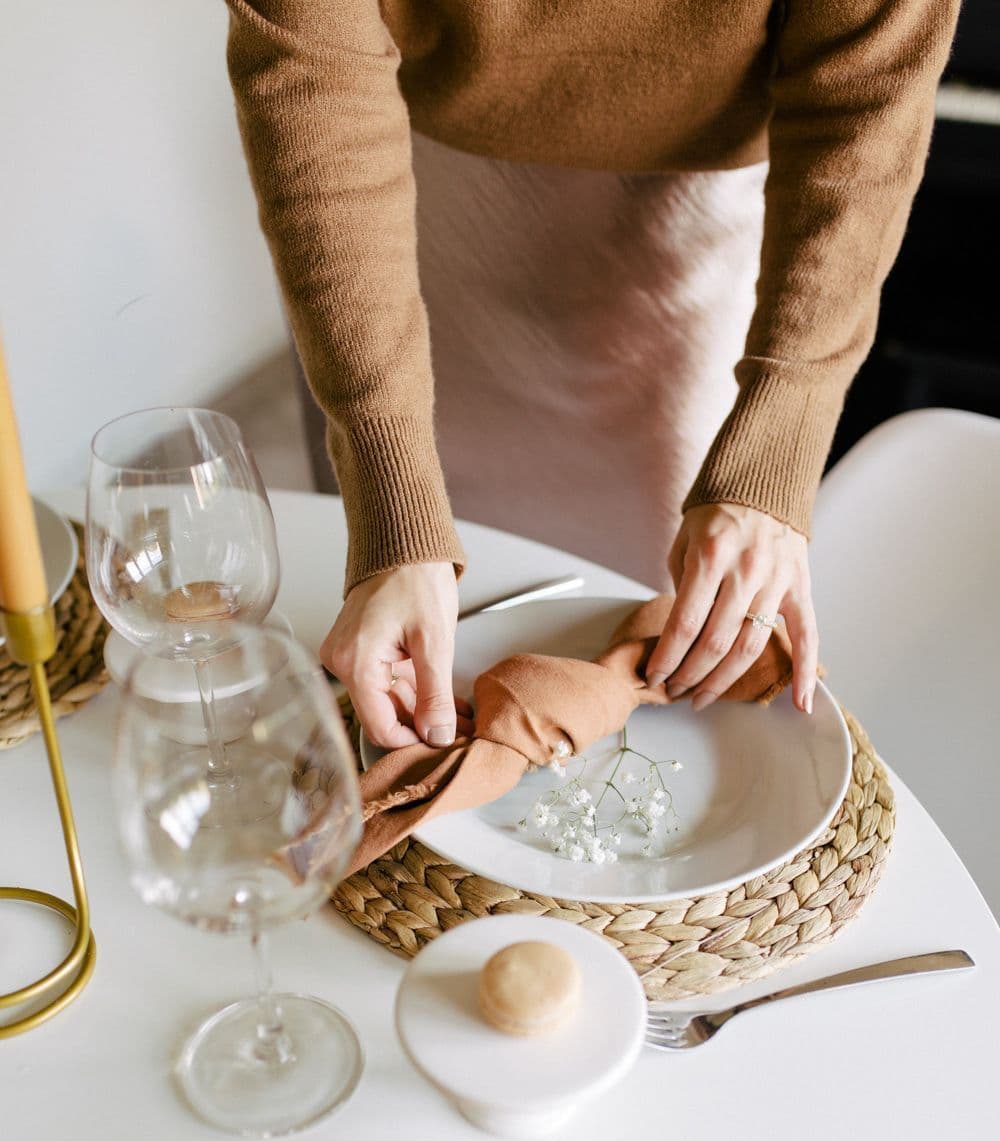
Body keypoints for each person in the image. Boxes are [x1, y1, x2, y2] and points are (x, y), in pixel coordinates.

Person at [224, 0, 959, 749]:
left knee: (661, 623)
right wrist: (390, 490)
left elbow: (870, 89)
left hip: (692, 220)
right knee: (395, 608)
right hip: (404, 194)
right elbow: (312, 67)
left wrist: (782, 425)